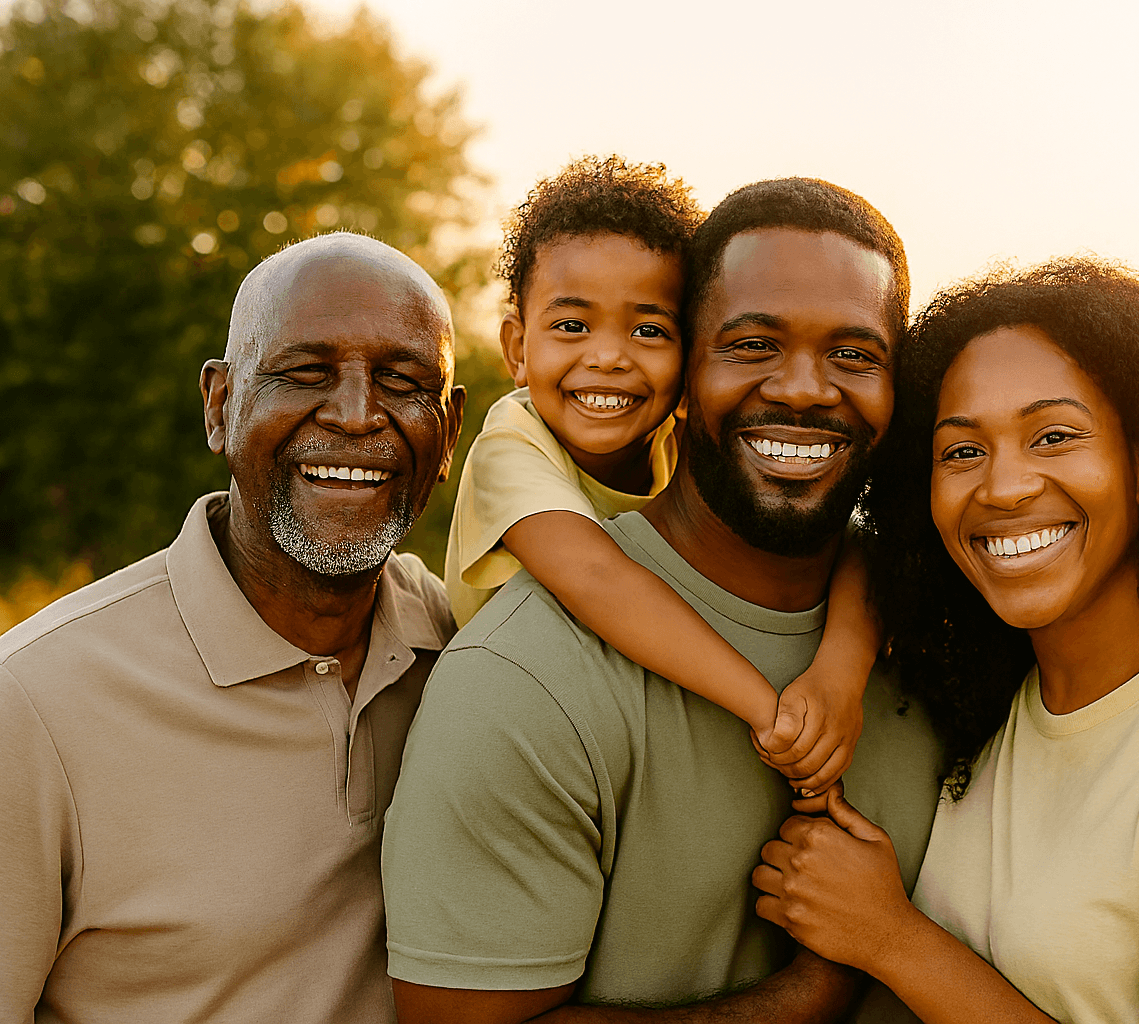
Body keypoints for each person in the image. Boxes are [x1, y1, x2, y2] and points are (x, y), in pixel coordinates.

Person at [753, 259, 1139, 1024]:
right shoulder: (994, 706)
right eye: (962, 451)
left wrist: (894, 940)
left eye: (1053, 436)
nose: (1003, 486)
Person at [381, 178, 941, 1023]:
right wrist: (817, 990)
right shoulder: (523, 676)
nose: (803, 388)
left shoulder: (954, 635)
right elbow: (601, 581)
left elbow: (866, 554)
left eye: (855, 355)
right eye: (753, 344)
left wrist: (839, 669)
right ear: (693, 370)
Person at [0, 232, 466, 1023]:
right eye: (305, 373)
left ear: (449, 433)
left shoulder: (465, 650)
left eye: (404, 381)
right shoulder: (29, 702)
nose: (358, 414)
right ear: (221, 406)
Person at [445, 156, 877, 793]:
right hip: (515, 720)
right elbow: (600, 580)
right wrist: (766, 709)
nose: (609, 357)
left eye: (648, 329)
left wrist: (840, 674)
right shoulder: (512, 442)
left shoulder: (684, 440)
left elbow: (853, 541)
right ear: (516, 348)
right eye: (572, 325)